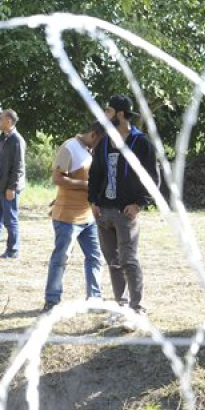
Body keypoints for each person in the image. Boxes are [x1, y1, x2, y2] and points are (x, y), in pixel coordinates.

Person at [88, 93, 159, 329]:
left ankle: (136, 310)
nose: (104, 116)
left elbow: (151, 177)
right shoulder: (105, 141)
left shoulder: (141, 143)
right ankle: (120, 307)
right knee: (113, 262)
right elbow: (95, 173)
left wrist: (139, 203)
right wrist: (93, 200)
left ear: (120, 114)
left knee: (129, 260)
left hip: (125, 213)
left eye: (108, 111)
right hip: (103, 212)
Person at [43, 122, 105, 312]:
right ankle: (52, 300)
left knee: (95, 257)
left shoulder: (93, 151)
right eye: (102, 141)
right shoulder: (69, 147)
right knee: (61, 257)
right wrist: (87, 184)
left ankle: (94, 297)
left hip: (89, 215)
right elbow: (57, 178)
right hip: (66, 215)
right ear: (94, 135)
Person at [0, 109, 26, 259]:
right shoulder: (1, 138)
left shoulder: (17, 140)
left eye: (1, 118)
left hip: (9, 187)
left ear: (9, 121)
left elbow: (18, 166)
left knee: (10, 220)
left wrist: (12, 187)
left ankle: (13, 250)